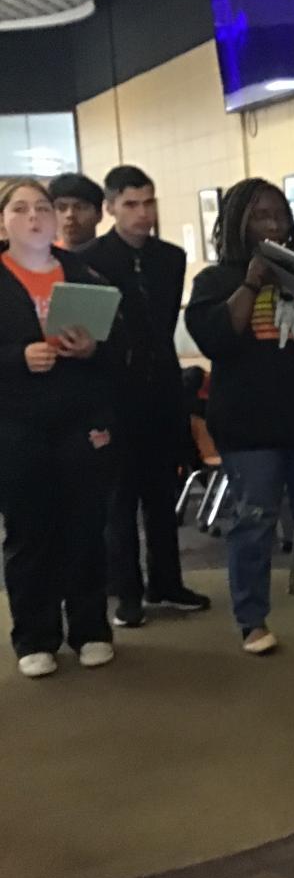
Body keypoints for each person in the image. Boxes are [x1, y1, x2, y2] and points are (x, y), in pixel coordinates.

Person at [184, 178, 294, 654]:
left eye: (280, 215)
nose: (274, 224)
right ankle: (252, 621)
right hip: (249, 425)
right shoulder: (214, 282)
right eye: (261, 215)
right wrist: (251, 282)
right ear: (237, 222)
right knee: (254, 521)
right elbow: (216, 340)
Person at [80, 165, 210, 627]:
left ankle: (167, 582)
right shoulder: (90, 260)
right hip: (115, 394)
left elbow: (161, 326)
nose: (143, 213)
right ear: (111, 207)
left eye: (149, 202)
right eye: (131, 204)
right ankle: (127, 592)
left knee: (162, 494)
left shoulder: (170, 258)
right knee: (120, 499)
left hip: (162, 390)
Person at [0, 178, 118, 677]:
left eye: (42, 208)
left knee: (85, 528)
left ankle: (90, 629)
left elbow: (116, 345)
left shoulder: (82, 273)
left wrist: (92, 349)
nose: (34, 217)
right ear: (3, 222)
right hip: (16, 424)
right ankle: (34, 636)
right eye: (20, 209)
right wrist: (17, 358)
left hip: (79, 420)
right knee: (30, 533)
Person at [48, 172, 104, 249]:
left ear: (99, 214)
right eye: (61, 208)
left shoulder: (114, 254)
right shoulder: (41, 255)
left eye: (80, 207)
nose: (70, 214)